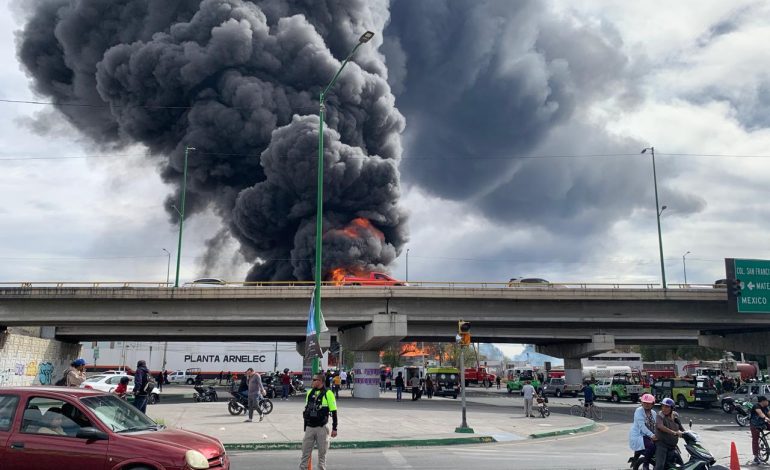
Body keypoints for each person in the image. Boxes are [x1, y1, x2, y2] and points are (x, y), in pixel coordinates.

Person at [300, 373, 338, 470]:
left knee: (322, 455)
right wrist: (305, 427)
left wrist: (334, 428)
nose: (312, 381)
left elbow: (334, 412)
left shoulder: (328, 393)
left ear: (320, 381)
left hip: (322, 428)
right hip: (309, 428)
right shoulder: (310, 393)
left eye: (314, 380)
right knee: (305, 454)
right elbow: (307, 410)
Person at [629, 393, 658, 470]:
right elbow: (642, 426)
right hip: (639, 435)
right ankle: (645, 465)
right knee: (651, 446)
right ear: (641, 403)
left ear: (653, 404)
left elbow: (655, 426)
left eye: (649, 403)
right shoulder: (639, 411)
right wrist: (652, 435)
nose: (646, 404)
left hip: (648, 435)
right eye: (644, 402)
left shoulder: (654, 413)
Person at [654, 397, 684, 470]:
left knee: (681, 465)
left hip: (673, 446)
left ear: (672, 408)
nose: (664, 408)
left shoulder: (675, 415)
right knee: (660, 467)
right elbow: (660, 426)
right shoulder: (660, 415)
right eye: (663, 406)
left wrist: (686, 433)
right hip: (662, 445)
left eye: (667, 407)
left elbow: (680, 426)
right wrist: (673, 432)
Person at [750, 395, 770, 465]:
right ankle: (756, 457)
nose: (768, 402)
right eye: (767, 401)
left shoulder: (765, 407)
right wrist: (767, 418)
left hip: (763, 424)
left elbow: (769, 414)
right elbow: (761, 414)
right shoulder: (756, 406)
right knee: (755, 440)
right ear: (763, 401)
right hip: (755, 425)